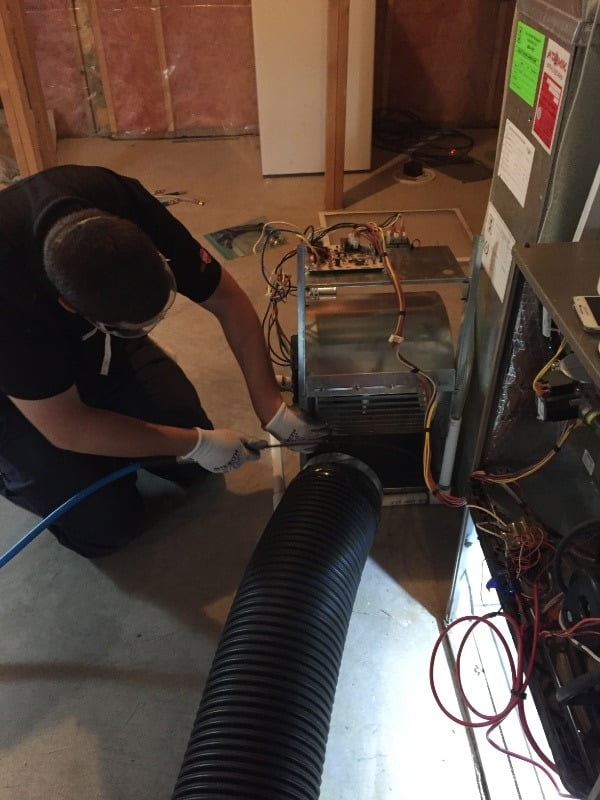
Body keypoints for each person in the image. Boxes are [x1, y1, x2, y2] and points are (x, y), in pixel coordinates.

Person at [0, 164, 326, 558]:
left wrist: (270, 406)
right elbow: (66, 427)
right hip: (22, 403)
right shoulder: (9, 295)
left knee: (190, 461)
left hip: (93, 350)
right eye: (133, 327)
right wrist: (197, 443)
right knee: (108, 526)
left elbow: (227, 299)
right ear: (70, 306)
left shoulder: (117, 198)